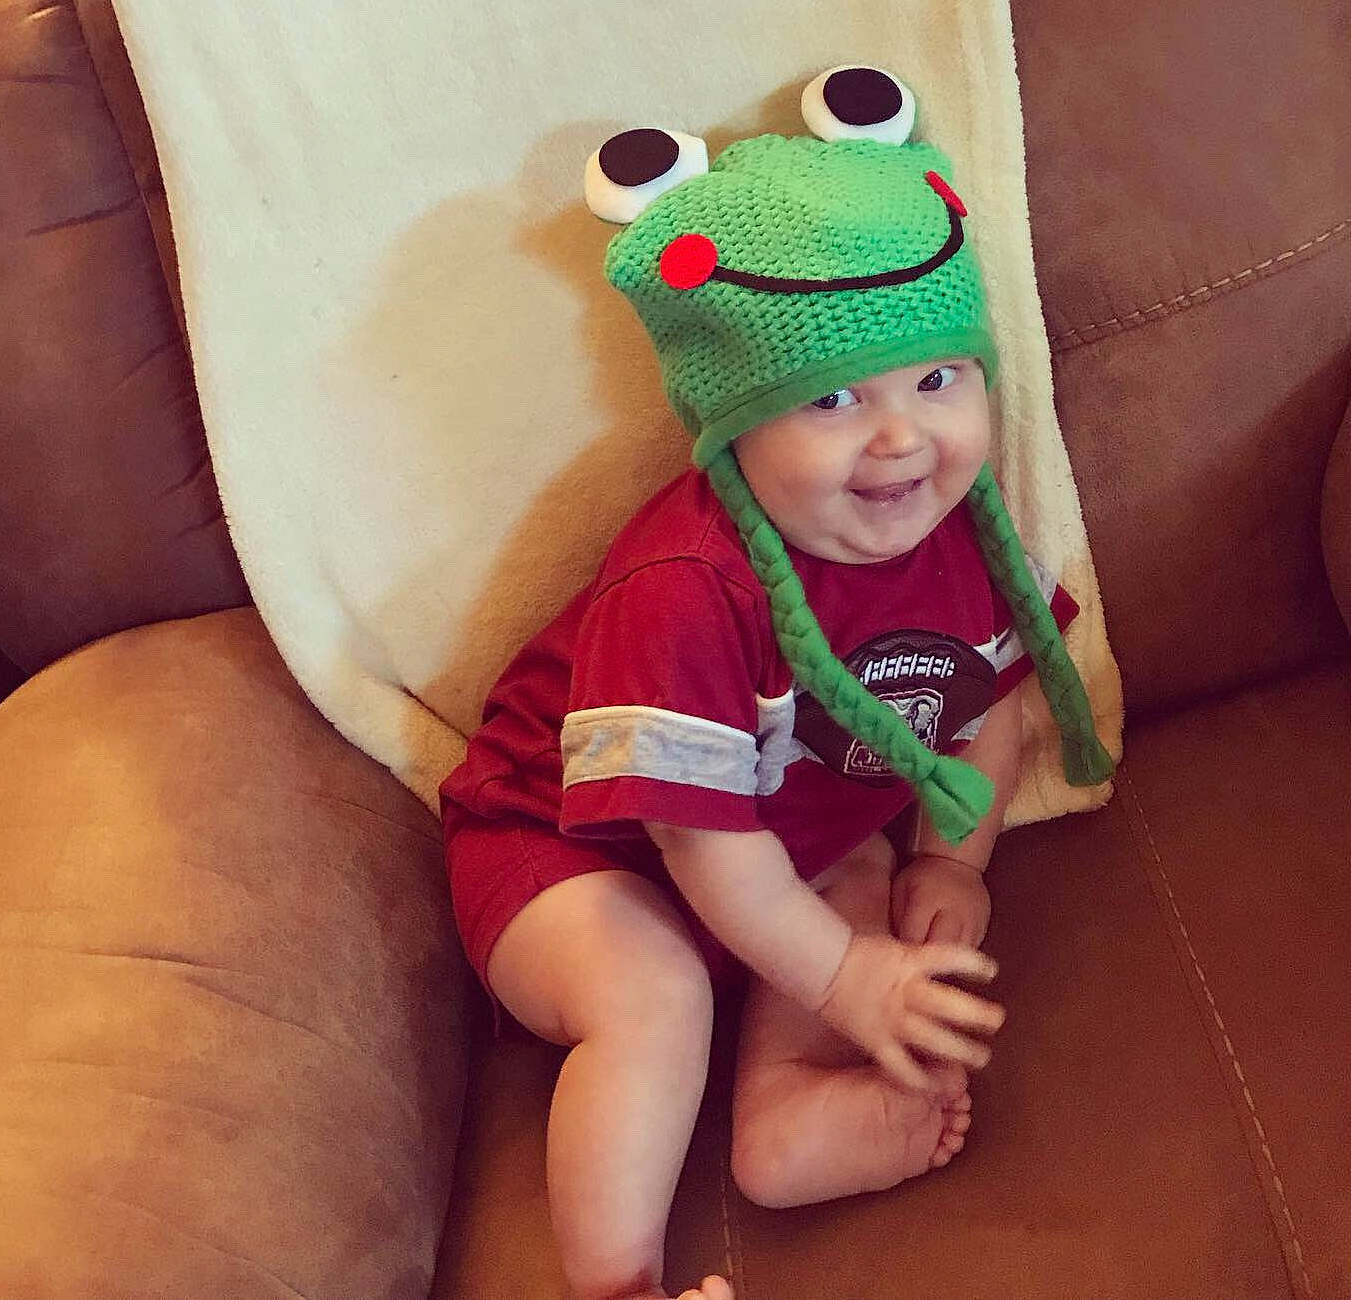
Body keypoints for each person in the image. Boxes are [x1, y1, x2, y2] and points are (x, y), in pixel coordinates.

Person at [440, 65, 1113, 1300]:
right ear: (731, 421)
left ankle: (785, 1113)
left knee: (850, 878)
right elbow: (705, 858)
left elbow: (989, 709)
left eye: (936, 379)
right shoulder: (686, 586)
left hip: (786, 834)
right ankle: (617, 1284)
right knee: (657, 992)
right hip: (567, 850)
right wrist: (849, 975)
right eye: (835, 398)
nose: (902, 438)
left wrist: (950, 861)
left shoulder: (963, 532)